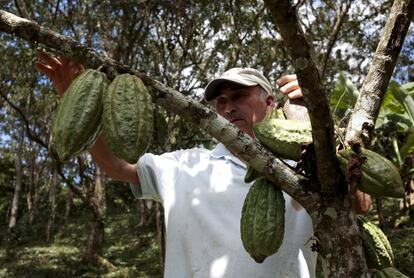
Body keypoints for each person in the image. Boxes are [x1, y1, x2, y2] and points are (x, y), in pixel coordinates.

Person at [35, 52, 370, 278]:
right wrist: (74, 99)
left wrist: (323, 132)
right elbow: (117, 166)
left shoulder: (307, 164)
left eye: (238, 96)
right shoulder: (187, 165)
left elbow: (357, 206)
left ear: (269, 102)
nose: (227, 107)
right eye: (219, 101)